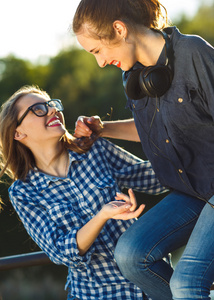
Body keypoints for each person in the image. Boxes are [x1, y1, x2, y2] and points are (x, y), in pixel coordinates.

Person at [72, 0, 214, 299]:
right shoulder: (134, 77)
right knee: (131, 255)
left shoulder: (193, 53)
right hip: (191, 192)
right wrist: (103, 129)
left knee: (186, 281)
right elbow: (154, 128)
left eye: (97, 51)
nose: (99, 62)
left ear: (119, 29)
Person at [0, 85, 167, 300]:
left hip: (150, 286)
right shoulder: (23, 192)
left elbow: (155, 180)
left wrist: (192, 148)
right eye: (38, 109)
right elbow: (60, 252)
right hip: (96, 294)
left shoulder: (94, 149)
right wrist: (103, 215)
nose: (52, 110)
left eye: (52, 104)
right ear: (18, 133)